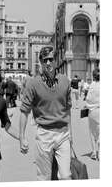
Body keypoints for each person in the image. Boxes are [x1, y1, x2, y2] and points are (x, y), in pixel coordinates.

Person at [19, 46, 72, 180]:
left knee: (66, 176)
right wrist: (21, 137)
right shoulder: (33, 83)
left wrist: (71, 135)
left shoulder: (65, 81)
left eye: (50, 59)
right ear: (41, 62)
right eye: (44, 60)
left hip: (63, 134)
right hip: (44, 135)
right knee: (44, 177)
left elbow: (68, 110)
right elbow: (24, 111)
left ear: (55, 60)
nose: (48, 63)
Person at [85, 68, 100, 161]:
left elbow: (88, 99)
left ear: (93, 76)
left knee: (92, 132)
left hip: (93, 111)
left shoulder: (92, 85)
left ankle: (94, 152)